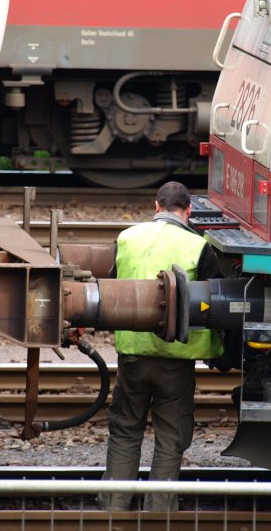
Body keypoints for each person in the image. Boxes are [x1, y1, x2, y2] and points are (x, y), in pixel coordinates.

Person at [99, 181, 223, 512]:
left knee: (125, 430)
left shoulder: (127, 237)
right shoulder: (198, 245)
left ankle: (113, 507)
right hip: (175, 361)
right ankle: (159, 513)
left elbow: (113, 285)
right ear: (188, 211)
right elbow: (213, 303)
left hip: (132, 355)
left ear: (156, 206)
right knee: (170, 438)